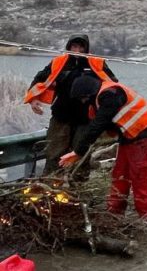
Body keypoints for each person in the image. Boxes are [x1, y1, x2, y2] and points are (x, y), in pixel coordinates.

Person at [60, 76, 147, 222]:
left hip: (142, 133)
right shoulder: (104, 93)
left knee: (139, 175)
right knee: (120, 173)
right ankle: (115, 212)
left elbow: (99, 124)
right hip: (129, 134)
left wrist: (78, 151)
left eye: (82, 98)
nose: (83, 102)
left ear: (87, 94)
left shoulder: (109, 94)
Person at [23, 34, 115, 177]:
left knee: (81, 155)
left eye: (81, 47)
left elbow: (112, 84)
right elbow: (40, 78)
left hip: (86, 118)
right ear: (69, 47)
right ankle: (50, 184)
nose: (77, 50)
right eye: (74, 46)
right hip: (61, 115)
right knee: (54, 153)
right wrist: (33, 99)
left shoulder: (96, 63)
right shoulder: (59, 62)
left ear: (86, 49)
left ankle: (78, 188)